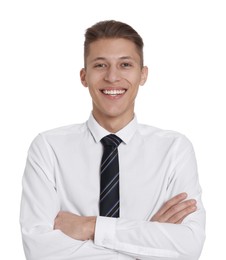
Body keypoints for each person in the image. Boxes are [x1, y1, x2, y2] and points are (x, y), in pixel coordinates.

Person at [20, 20, 205, 260]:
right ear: (84, 76)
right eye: (100, 65)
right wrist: (147, 238)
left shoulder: (174, 149)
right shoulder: (48, 148)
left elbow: (188, 247)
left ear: (143, 74)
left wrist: (92, 227)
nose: (112, 77)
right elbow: (40, 251)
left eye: (125, 64)